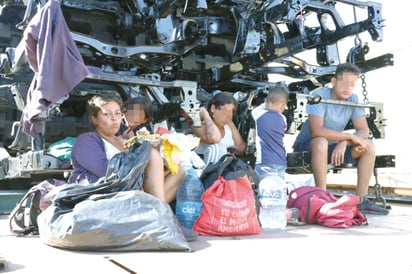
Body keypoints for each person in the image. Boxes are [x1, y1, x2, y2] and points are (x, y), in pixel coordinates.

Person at [70, 94, 197, 241]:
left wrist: (164, 164)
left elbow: (148, 174)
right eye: (107, 114)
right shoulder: (87, 140)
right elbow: (106, 173)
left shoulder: (125, 139)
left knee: (178, 170)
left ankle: (159, 217)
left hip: (130, 188)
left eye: (118, 113)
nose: (114, 118)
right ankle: (164, 219)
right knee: (151, 154)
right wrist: (143, 156)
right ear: (94, 119)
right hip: (104, 193)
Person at [292, 63, 389, 215]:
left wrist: (344, 142)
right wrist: (348, 136)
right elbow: (317, 131)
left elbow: (363, 130)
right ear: (334, 81)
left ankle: (361, 200)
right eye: (344, 83)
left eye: (352, 84)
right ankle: (321, 198)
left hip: (334, 146)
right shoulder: (320, 96)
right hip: (308, 146)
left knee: (368, 145)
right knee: (321, 141)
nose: (348, 88)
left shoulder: (353, 98)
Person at [192, 92, 246, 164]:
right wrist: (205, 114)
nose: (228, 117)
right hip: (207, 171)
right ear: (213, 108)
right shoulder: (199, 124)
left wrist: (231, 150)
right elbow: (214, 138)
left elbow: (241, 146)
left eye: (230, 113)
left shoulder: (229, 123)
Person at [252, 86, 289, 181]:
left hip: (265, 160)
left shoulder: (258, 114)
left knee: (264, 186)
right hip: (281, 160)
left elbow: (254, 111)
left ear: (266, 102)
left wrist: (266, 102)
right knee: (278, 186)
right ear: (283, 106)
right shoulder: (283, 119)